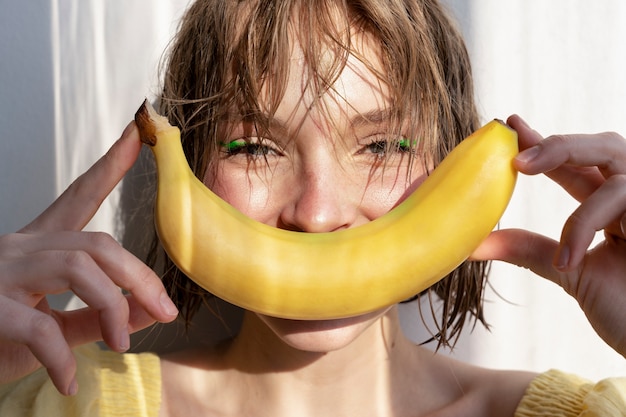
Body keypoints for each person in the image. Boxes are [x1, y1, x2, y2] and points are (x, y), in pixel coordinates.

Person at [1, 0, 625, 416]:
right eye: (254, 147)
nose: (318, 213)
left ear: (451, 170)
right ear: (188, 166)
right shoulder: (60, 402)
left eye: (382, 144)